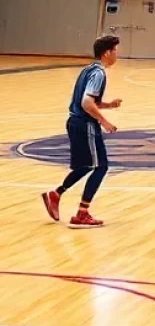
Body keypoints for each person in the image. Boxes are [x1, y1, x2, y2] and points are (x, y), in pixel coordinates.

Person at [41, 33, 121, 229]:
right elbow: (86, 103)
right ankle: (80, 213)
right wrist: (104, 121)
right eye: (115, 51)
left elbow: (88, 100)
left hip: (78, 122)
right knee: (97, 166)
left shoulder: (88, 70)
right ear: (106, 52)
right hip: (84, 123)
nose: (117, 55)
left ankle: (57, 194)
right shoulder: (98, 73)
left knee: (92, 165)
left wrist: (108, 105)